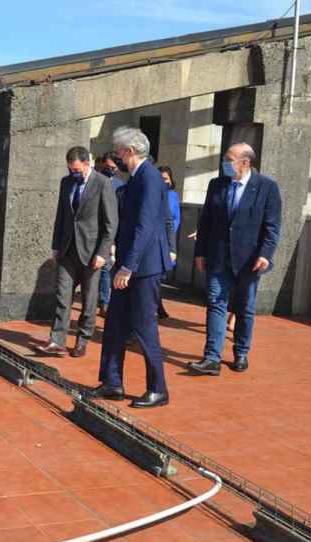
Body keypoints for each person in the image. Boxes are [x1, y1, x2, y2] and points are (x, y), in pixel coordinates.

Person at [88, 127, 172, 409]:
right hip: (130, 264)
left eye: (119, 152)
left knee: (144, 326)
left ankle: (158, 389)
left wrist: (128, 267)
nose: (117, 157)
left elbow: (145, 226)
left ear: (130, 152)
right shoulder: (136, 179)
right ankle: (112, 382)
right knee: (114, 324)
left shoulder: (149, 178)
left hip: (143, 267)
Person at [188, 143, 281, 375]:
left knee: (245, 307)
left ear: (245, 162)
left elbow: (272, 227)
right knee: (215, 304)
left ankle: (241, 352)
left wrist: (265, 255)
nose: (225, 164)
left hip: (249, 260)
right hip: (218, 257)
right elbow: (206, 221)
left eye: (230, 160)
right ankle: (212, 358)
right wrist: (200, 252)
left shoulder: (266, 188)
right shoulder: (216, 185)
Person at [36, 147, 118, 358]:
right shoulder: (66, 182)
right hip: (67, 250)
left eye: (77, 170)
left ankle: (82, 340)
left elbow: (111, 223)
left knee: (89, 301)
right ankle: (56, 341)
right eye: (71, 170)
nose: (74, 174)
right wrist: (55, 246)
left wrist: (103, 253)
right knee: (63, 297)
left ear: (87, 163)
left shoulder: (103, 183)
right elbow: (61, 216)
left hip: (92, 254)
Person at [94, 151, 124, 316]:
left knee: (105, 268)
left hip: (109, 233)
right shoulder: (95, 180)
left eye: (114, 167)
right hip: (93, 231)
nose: (111, 170)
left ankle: (104, 302)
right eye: (108, 167)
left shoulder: (119, 185)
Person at [157, 166, 181, 320]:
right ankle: (157, 306)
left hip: (167, 240)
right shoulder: (155, 194)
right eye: (160, 179)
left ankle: (157, 305)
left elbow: (175, 218)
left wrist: (170, 240)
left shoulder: (173, 196)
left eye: (166, 179)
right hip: (155, 240)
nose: (163, 182)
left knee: (160, 276)